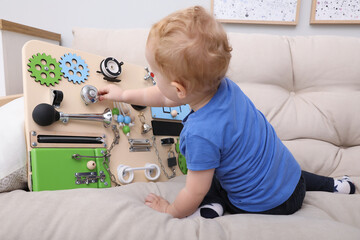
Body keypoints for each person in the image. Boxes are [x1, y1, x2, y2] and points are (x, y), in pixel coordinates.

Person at [98, 6, 356, 219]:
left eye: (153, 72)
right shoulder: (225, 87)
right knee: (286, 173)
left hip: (268, 205)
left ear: (179, 88)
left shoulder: (200, 134)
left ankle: (218, 206)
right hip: (292, 179)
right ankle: (335, 185)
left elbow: (194, 192)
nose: (151, 76)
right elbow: (165, 95)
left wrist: (171, 209)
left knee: (208, 181)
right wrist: (122, 95)